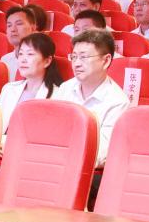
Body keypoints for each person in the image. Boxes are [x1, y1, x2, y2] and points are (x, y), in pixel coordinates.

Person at [52, 29, 128, 166]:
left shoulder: (118, 101)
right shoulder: (65, 88)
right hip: (56, 160)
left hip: (87, 170)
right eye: (74, 57)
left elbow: (102, 154)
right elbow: (52, 129)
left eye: (84, 57)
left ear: (106, 60)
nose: (76, 63)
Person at [0, 32, 62, 140]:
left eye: (30, 54)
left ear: (47, 61)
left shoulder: (58, 96)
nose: (23, 59)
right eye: (21, 54)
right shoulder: (9, 89)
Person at [0, 6, 37, 80]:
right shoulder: (5, 60)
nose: (13, 29)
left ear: (33, 28)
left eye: (19, 24)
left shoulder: (40, 60)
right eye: (9, 25)